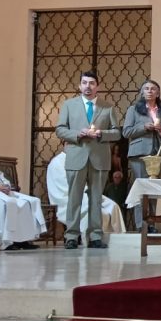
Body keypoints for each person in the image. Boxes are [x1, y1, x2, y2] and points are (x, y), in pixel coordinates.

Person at [54, 70, 121, 249]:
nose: (88, 86)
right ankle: (71, 236)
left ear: (97, 87)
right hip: (76, 156)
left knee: (96, 198)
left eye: (91, 83)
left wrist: (101, 134)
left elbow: (117, 132)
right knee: (74, 198)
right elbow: (60, 129)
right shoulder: (69, 105)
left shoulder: (107, 107)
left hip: (99, 158)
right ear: (79, 86)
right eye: (84, 83)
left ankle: (95, 236)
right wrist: (78, 133)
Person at [121, 79, 161, 232]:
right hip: (139, 154)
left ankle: (151, 223)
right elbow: (126, 132)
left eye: (153, 88)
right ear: (142, 92)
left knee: (153, 189)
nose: (149, 91)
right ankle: (141, 224)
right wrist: (144, 127)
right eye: (146, 88)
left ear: (158, 93)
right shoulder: (133, 110)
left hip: (158, 153)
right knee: (141, 188)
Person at [0, 154, 45, 250]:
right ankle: (5, 242)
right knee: (6, 204)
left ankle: (23, 240)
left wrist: (6, 185)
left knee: (28, 202)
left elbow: (0, 175)